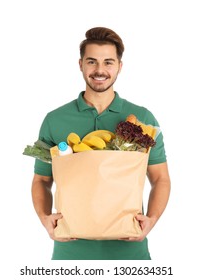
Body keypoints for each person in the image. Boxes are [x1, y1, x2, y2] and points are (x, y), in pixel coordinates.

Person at [31, 27, 171, 260]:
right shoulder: (55, 120)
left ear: (119, 66)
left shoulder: (143, 118)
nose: (99, 70)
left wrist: (152, 220)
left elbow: (160, 178)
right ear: (80, 64)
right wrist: (44, 218)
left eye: (108, 62)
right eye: (92, 62)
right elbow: (41, 180)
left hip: (130, 252)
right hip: (70, 252)